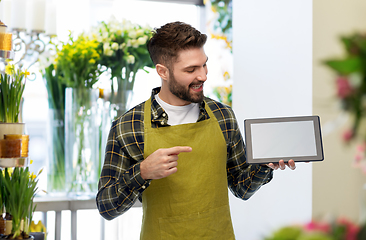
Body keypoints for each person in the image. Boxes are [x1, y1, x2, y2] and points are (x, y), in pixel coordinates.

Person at [96, 21, 296, 240]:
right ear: (163, 72)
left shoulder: (223, 116)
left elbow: (242, 188)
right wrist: (142, 172)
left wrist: (265, 165)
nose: (203, 76)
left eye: (204, 65)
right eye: (191, 70)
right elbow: (107, 207)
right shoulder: (128, 126)